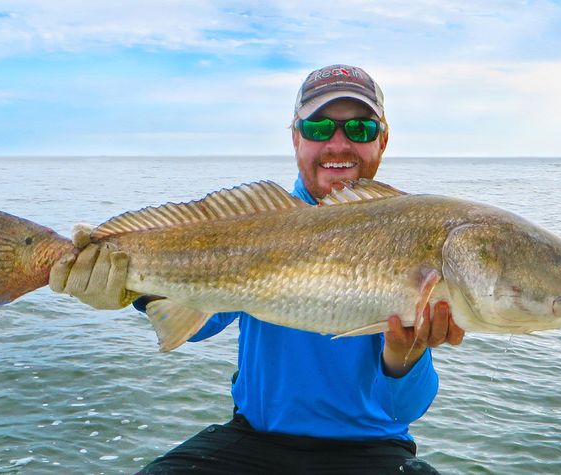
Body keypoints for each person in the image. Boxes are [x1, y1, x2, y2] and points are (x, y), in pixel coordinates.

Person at [49, 64, 465, 474]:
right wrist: (130, 288)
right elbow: (205, 324)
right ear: (296, 137)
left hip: (373, 449)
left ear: (383, 141)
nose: (339, 144)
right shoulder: (257, 224)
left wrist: (403, 355)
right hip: (253, 441)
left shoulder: (412, 230)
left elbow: (404, 408)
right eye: (319, 127)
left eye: (360, 129)